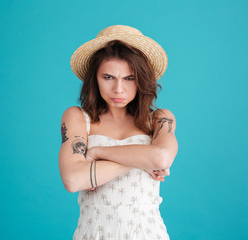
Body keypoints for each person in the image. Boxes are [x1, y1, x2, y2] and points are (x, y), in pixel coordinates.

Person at [59, 25, 178, 240]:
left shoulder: (160, 119)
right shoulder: (78, 118)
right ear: (94, 78)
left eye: (129, 78)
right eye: (108, 77)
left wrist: (97, 153)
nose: (118, 89)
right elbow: (73, 180)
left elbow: (161, 157)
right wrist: (142, 160)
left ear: (142, 79)